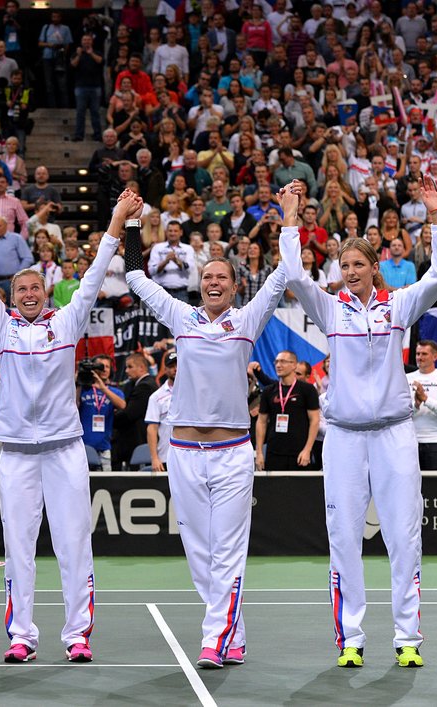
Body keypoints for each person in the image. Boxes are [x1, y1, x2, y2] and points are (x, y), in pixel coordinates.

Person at [279, 175, 437, 669]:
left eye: (359, 264)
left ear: (375, 269)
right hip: (345, 439)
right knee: (344, 538)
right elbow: (294, 276)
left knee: (404, 536)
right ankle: (351, 638)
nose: (351, 270)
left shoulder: (398, 304)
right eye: (345, 265)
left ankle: (407, 640)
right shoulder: (330, 308)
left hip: (396, 434)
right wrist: (291, 218)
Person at [0, 189, 131, 665]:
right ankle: (22, 635)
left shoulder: (68, 322)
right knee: (19, 548)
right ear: (11, 298)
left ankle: (77, 635)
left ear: (46, 292)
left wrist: (116, 221)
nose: (29, 295)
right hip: (15, 453)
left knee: (74, 543)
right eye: (20, 290)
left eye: (35, 288)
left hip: (65, 450)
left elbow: (94, 276)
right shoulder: (2, 328)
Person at [123, 181, 290, 668]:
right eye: (207, 276)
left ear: (235, 286)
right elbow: (135, 277)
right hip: (184, 455)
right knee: (199, 552)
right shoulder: (181, 317)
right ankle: (232, 634)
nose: (214, 282)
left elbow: (282, 276)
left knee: (228, 551)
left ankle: (213, 638)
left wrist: (292, 216)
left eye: (222, 277)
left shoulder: (247, 320)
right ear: (200, 284)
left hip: (233, 453)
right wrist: (133, 223)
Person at [255, 350, 320, 471]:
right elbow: (261, 422)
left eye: (283, 361)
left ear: (294, 365)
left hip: (300, 453)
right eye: (277, 362)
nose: (278, 365)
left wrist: (307, 450)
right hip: (274, 452)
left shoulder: (307, 390)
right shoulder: (269, 391)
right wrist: (259, 453)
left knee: (299, 490)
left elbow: (315, 420)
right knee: (274, 489)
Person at [406, 340, 437, 471]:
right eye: (417, 354)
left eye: (424, 354)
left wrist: (425, 399)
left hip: (435, 441)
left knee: (433, 487)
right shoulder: (407, 378)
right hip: (409, 441)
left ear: (435, 356)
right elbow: (400, 411)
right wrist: (416, 404)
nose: (420, 357)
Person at [78, 355, 125, 472]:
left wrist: (103, 388)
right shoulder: (83, 389)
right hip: (82, 446)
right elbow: (73, 405)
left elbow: (122, 405)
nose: (104, 369)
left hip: (104, 447)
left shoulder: (115, 392)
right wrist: (78, 381)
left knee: (105, 483)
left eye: (107, 367)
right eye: (101, 366)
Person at [111, 353, 158, 470]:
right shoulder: (139, 385)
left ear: (141, 367)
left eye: (130, 367)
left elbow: (128, 414)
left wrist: (111, 418)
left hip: (138, 441)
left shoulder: (145, 386)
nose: (126, 371)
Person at [145, 350, 177, 473]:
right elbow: (152, 428)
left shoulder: (194, 391)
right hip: (166, 455)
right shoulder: (156, 397)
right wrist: (154, 458)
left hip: (191, 453)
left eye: (178, 365)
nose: (175, 369)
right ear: (165, 369)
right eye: (171, 366)